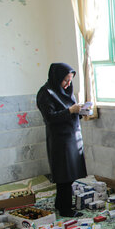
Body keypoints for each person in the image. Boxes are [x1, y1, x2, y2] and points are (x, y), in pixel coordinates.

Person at [36, 63, 88, 217]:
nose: (68, 84)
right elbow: (50, 118)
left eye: (70, 80)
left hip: (72, 138)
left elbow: (71, 112)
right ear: (56, 77)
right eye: (65, 80)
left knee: (70, 175)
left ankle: (61, 204)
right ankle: (65, 209)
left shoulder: (65, 92)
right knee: (64, 176)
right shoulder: (45, 93)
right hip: (60, 141)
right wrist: (70, 110)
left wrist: (80, 111)